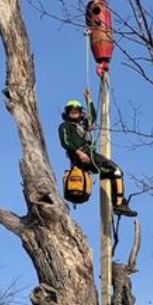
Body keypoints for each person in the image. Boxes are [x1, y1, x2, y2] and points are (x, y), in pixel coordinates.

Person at [58, 89, 138, 217]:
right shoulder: (65, 126)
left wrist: (88, 99)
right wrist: (79, 152)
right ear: (67, 113)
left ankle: (118, 203)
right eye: (71, 111)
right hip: (82, 157)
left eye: (77, 111)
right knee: (116, 170)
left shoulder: (82, 126)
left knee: (113, 172)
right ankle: (119, 204)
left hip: (90, 157)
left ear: (80, 113)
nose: (74, 113)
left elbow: (92, 116)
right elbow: (65, 142)